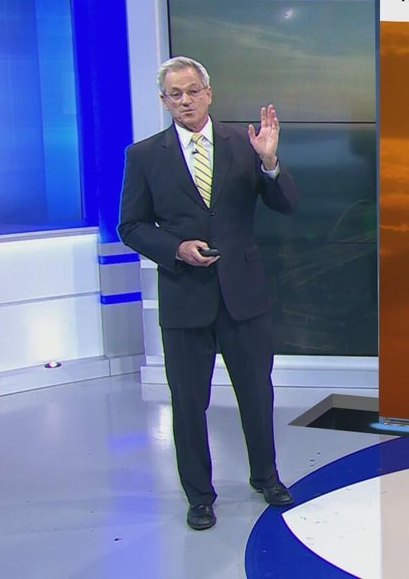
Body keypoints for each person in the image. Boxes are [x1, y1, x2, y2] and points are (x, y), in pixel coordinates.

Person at [118, 56, 299, 531]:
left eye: (193, 91)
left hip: (243, 296)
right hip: (185, 297)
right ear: (164, 102)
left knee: (256, 393)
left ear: (209, 93)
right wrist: (175, 249)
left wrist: (270, 162)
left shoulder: (246, 144)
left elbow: (287, 204)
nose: (186, 101)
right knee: (188, 403)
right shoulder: (144, 156)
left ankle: (266, 477)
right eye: (175, 94)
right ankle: (199, 496)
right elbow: (130, 226)